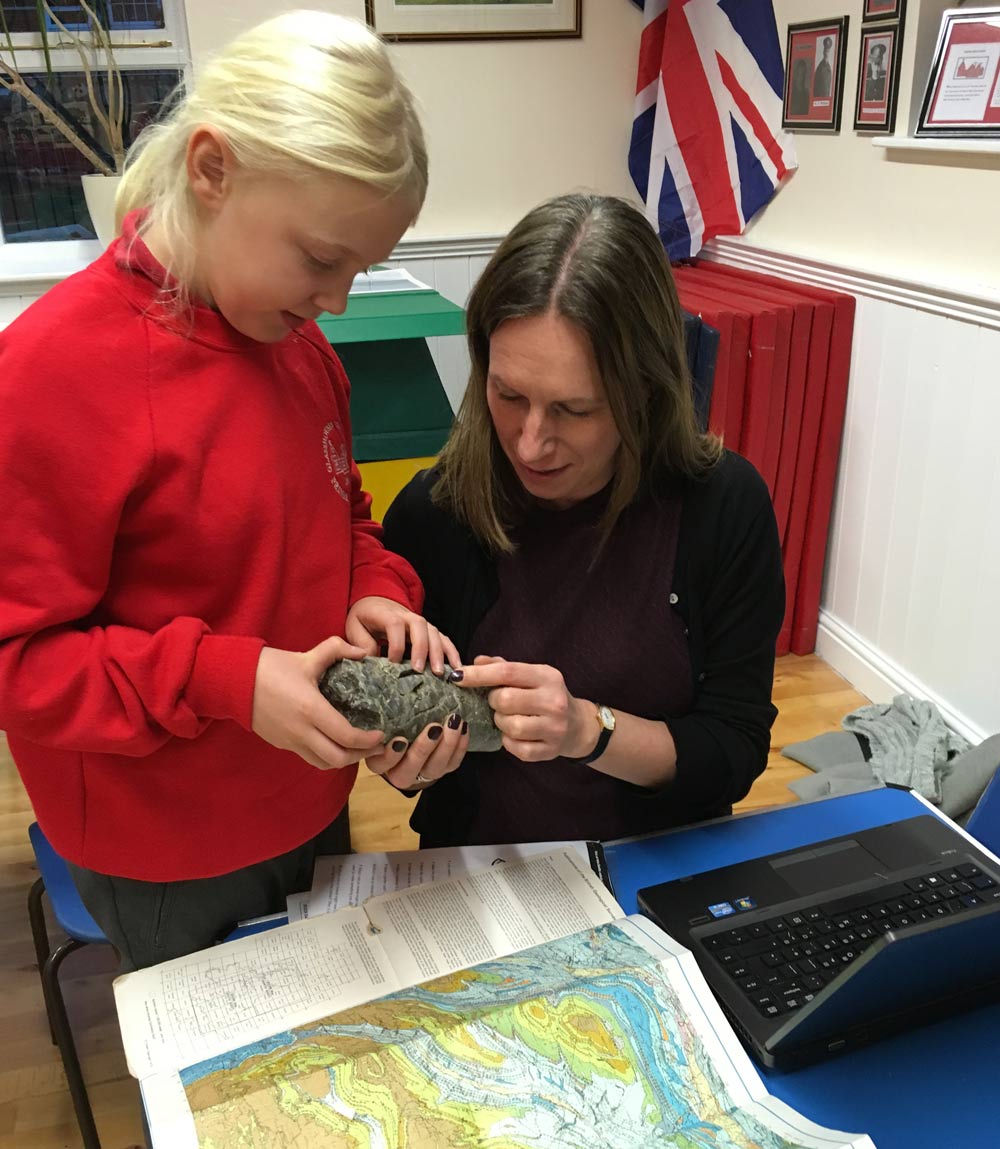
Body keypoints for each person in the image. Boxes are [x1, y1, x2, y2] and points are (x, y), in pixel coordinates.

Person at [0, 12, 468, 972]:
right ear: (211, 170)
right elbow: (19, 663)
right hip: (171, 847)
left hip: (311, 792)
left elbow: (344, 518)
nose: (336, 301)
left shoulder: (299, 348)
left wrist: (375, 590)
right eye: (320, 258)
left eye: (361, 267)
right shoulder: (51, 373)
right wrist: (229, 679)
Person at [380, 194, 785, 848]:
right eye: (509, 395)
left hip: (657, 865)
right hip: (478, 876)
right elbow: (404, 763)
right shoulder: (434, 513)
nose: (530, 443)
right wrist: (407, 755)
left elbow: (733, 751)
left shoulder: (723, 505)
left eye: (573, 409)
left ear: (646, 393)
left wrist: (586, 731)